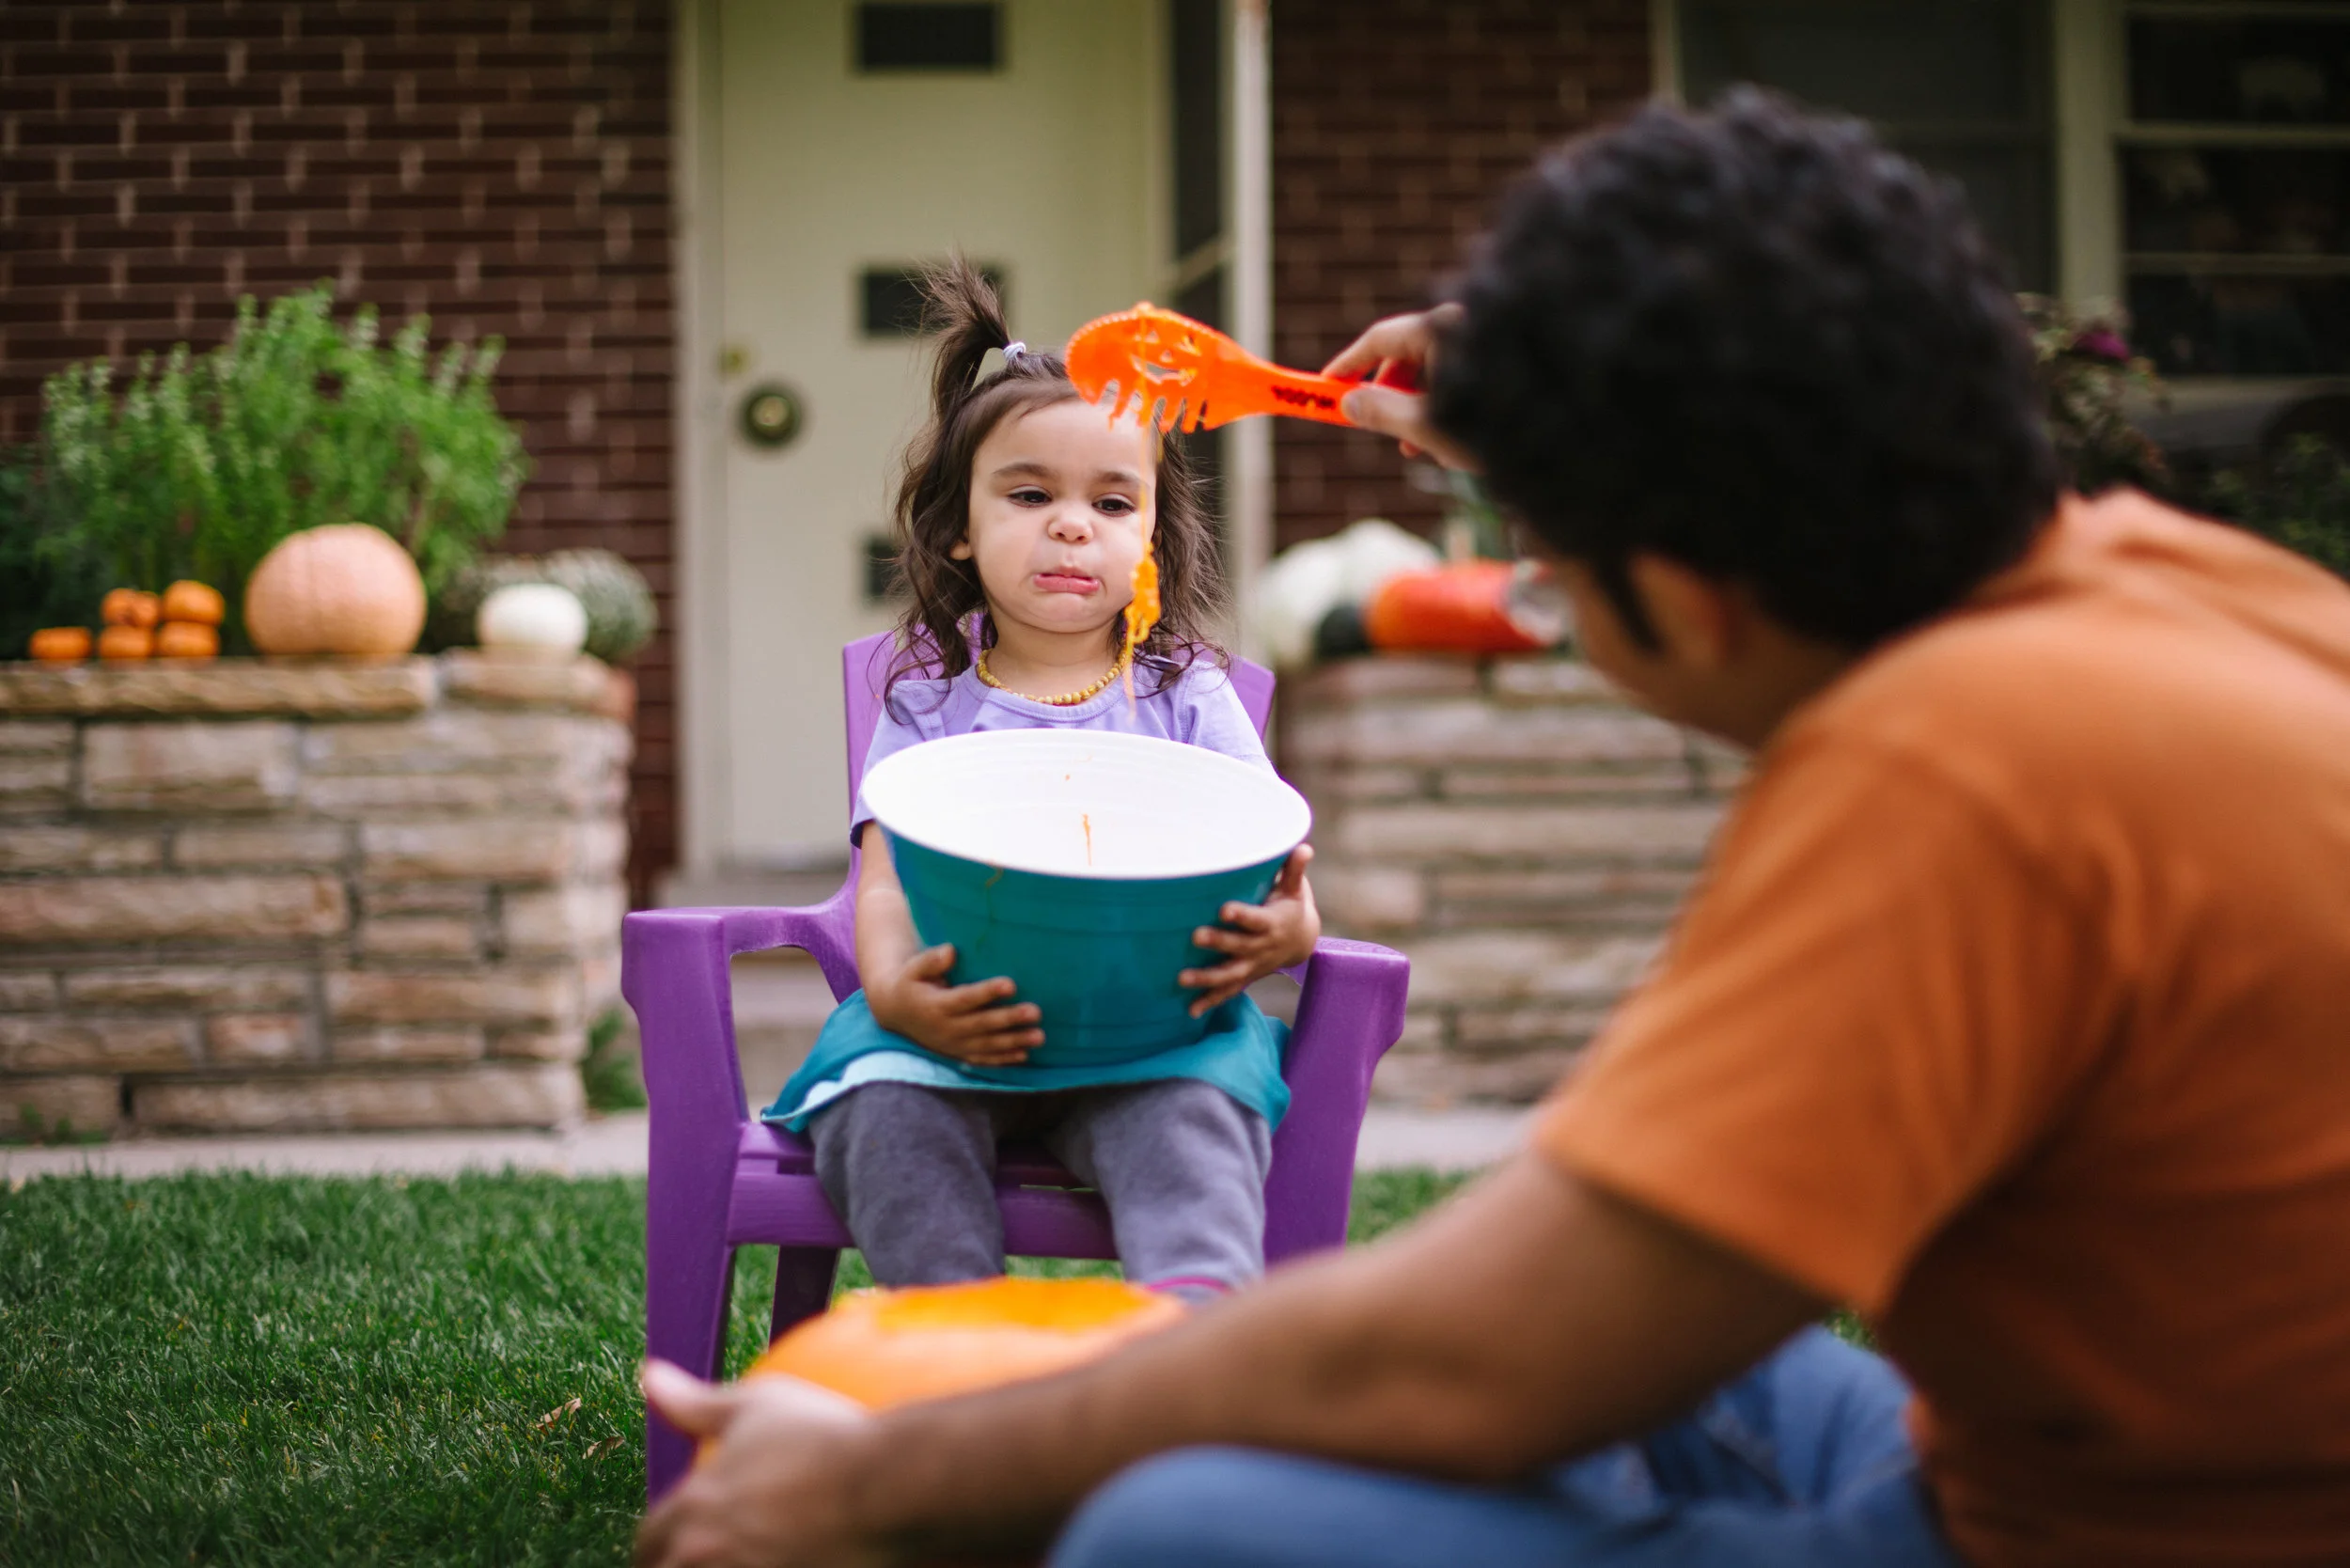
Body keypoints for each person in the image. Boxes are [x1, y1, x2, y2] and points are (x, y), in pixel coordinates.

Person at [638, 93, 2350, 1568]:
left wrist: (893, 1471)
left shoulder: (1951, 784)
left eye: (1549, 558)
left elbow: (1463, 1357)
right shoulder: (2197, 591)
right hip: (2114, 1458)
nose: (1530, 576)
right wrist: (1573, 409)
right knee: (1709, 1370)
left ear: (1673, 587)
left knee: (1177, 1528)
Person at [757, 259, 1323, 1302]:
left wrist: (1291, 932)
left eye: (1113, 501)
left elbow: (1272, 857)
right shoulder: (928, 709)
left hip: (1152, 1031)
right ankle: (957, 1335)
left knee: (1193, 1132)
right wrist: (894, 993)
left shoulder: (1187, 699)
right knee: (881, 1113)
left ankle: (1185, 1354)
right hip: (959, 1020)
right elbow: (883, 880)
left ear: (1149, 534)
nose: (1073, 524)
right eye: (1030, 494)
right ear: (961, 527)